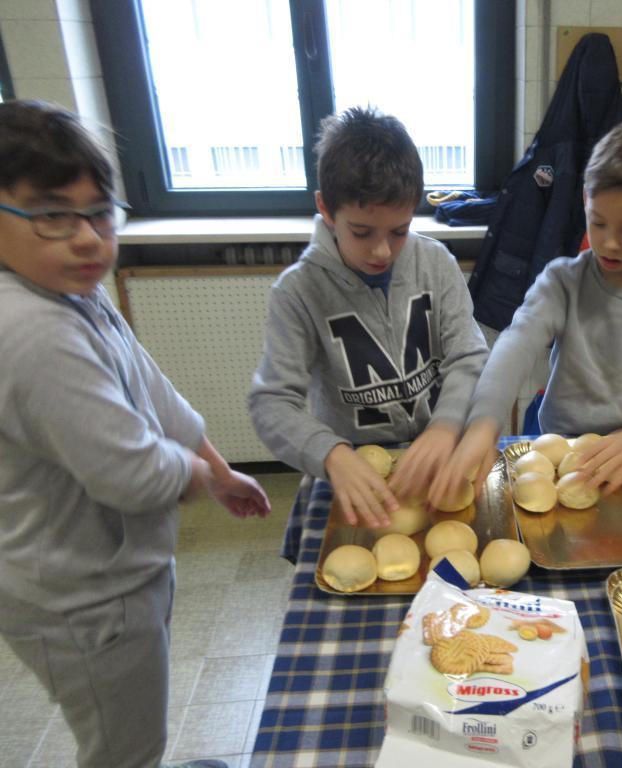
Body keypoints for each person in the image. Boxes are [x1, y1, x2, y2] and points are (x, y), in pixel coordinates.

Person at [0, 100, 271, 768]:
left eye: (99, 212)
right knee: (123, 748)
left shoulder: (71, 290)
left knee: (135, 716)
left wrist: (214, 462)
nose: (89, 237)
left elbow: (152, 390)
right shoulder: (34, 333)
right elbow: (128, 473)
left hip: (121, 575)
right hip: (80, 602)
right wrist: (197, 475)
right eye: (53, 214)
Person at [430, 114, 622, 503]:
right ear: (585, 201)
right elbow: (516, 345)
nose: (609, 243)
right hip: (566, 456)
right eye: (599, 222)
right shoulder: (562, 282)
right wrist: (484, 421)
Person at [249, 106, 489, 528]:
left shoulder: (435, 262)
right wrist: (329, 453)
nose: (381, 251)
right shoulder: (298, 292)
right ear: (326, 208)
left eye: (398, 231)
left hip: (439, 451)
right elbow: (272, 403)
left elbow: (468, 357)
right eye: (362, 232)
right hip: (354, 465)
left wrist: (446, 425)